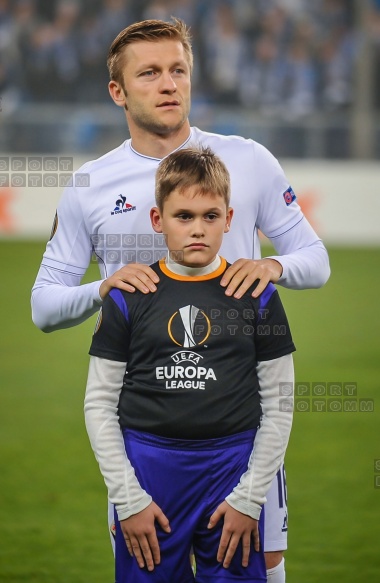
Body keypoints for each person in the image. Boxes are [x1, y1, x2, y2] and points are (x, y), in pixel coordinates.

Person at [31, 17, 330, 582]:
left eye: (178, 70)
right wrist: (102, 288)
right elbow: (43, 306)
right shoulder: (91, 184)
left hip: (241, 421)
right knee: (147, 557)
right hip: (144, 430)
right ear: (117, 91)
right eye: (149, 73)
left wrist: (272, 265)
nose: (168, 84)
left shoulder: (247, 160)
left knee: (262, 562)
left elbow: (316, 262)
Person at [84, 145, 295, 582]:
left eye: (210, 216)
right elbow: (98, 405)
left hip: (232, 471)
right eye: (184, 216)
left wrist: (249, 499)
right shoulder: (129, 295)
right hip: (150, 473)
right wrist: (129, 499)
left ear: (230, 219)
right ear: (158, 220)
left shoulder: (258, 295)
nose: (197, 229)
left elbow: (280, 405)